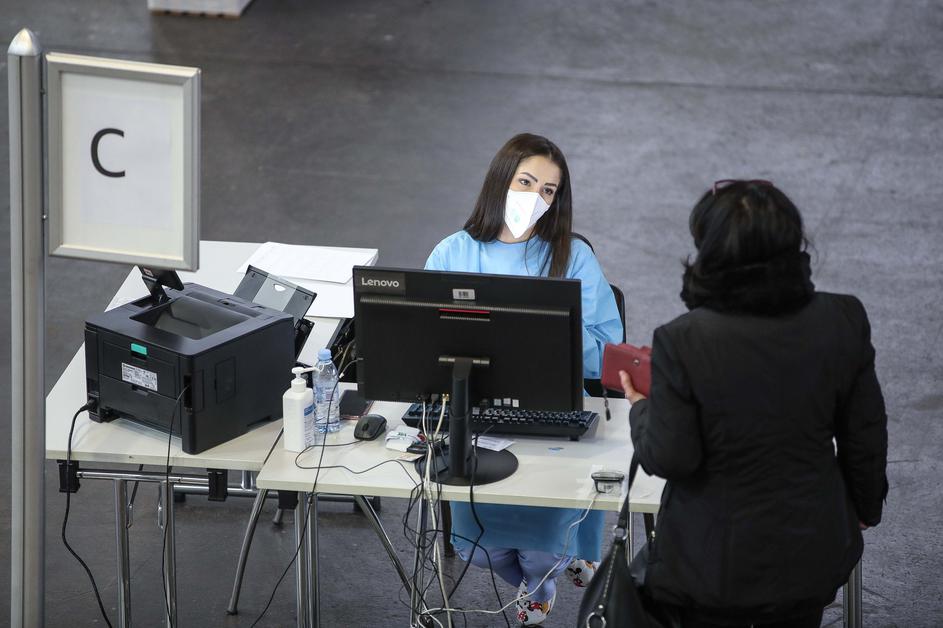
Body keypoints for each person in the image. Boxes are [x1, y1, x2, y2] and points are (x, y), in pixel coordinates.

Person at [621, 180, 889, 627]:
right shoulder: (843, 319)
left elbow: (670, 457)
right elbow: (865, 433)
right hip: (810, 554)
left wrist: (640, 408)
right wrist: (864, 508)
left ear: (710, 252)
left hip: (711, 566)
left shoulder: (683, 340)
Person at [425, 133, 623, 625]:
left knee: (538, 556)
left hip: (551, 414)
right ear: (501, 180)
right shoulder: (453, 252)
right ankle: (558, 565)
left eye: (548, 190)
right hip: (477, 418)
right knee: (478, 551)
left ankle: (543, 580)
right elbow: (424, 336)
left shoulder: (573, 257)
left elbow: (608, 353)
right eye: (526, 182)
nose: (536, 197)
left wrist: (551, 330)